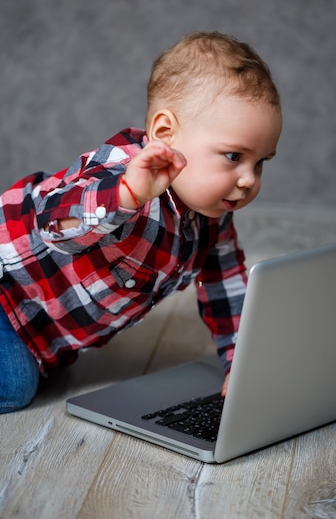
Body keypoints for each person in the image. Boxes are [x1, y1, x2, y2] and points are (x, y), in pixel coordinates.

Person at [0, 31, 282, 414]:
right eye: (234, 156)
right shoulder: (121, 168)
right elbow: (53, 225)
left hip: (39, 329)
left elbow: (225, 288)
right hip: (7, 286)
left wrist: (242, 363)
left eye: (260, 162)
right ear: (166, 134)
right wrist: (124, 195)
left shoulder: (212, 222)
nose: (249, 179)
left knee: (24, 375)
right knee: (16, 386)